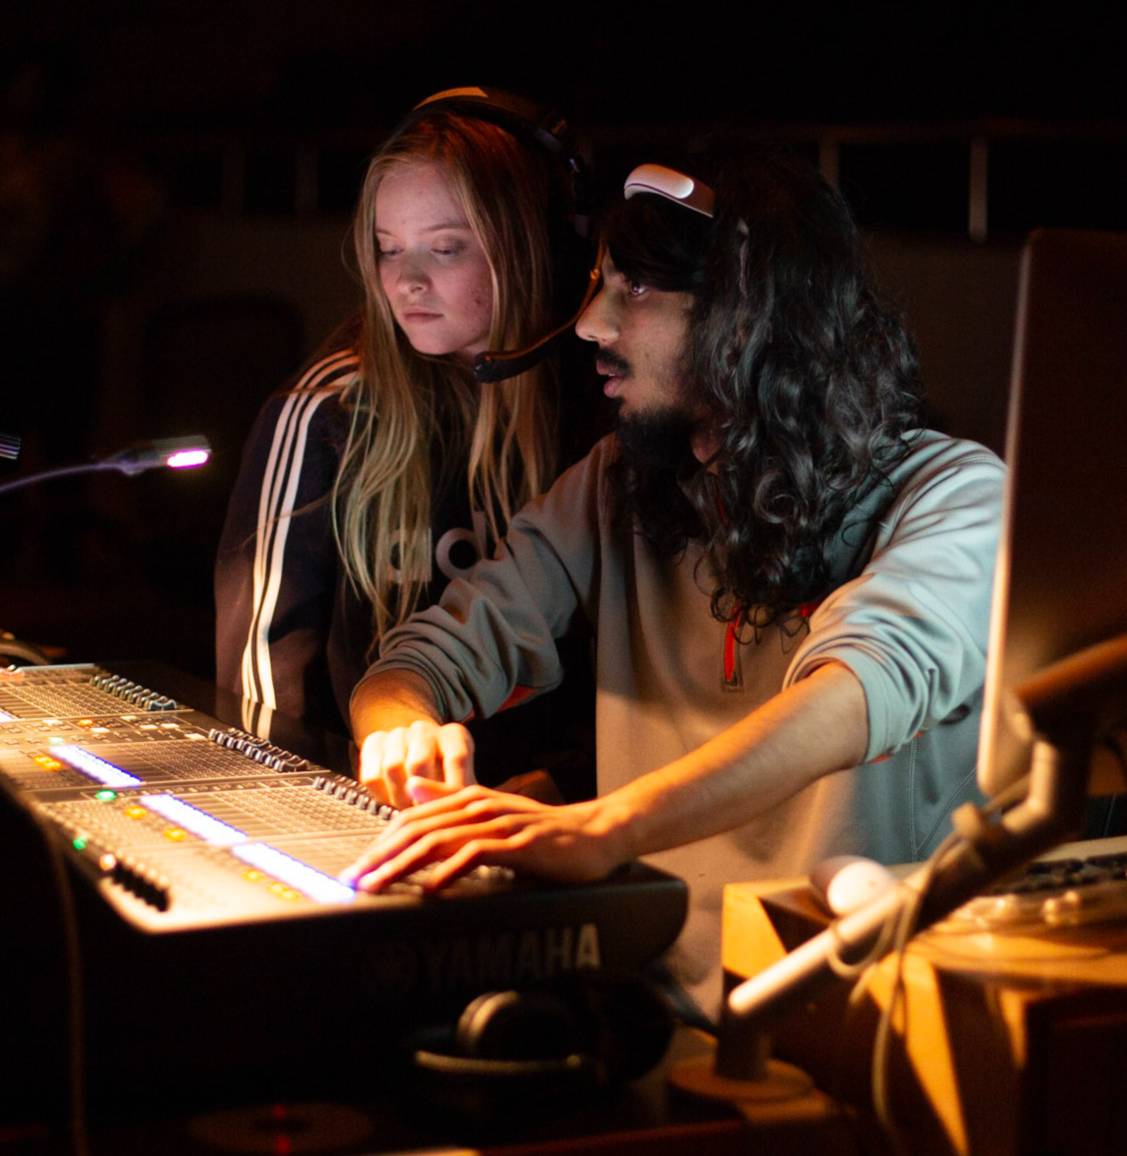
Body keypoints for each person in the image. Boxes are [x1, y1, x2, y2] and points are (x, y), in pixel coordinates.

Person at [342, 145, 1006, 1014]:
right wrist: (399, 731)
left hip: (857, 1026)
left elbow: (852, 694)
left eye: (637, 291)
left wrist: (599, 827)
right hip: (647, 1017)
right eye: (599, 285)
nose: (589, 325)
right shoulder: (612, 484)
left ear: (750, 316)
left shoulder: (956, 494)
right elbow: (418, 662)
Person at [215, 90, 594, 784]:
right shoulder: (329, 411)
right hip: (374, 805)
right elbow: (264, 681)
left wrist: (567, 789)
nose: (407, 281)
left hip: (563, 812)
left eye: (445, 248)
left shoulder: (603, 408)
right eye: (388, 250)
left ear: (535, 242)